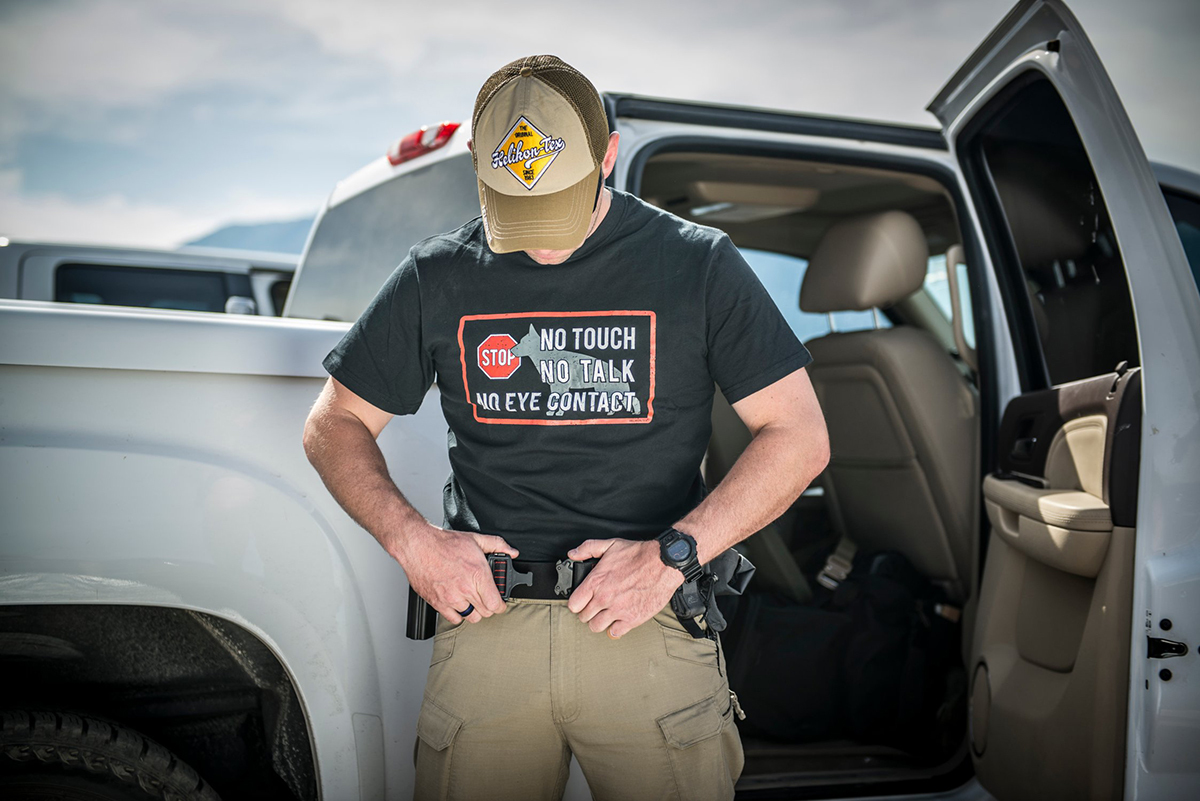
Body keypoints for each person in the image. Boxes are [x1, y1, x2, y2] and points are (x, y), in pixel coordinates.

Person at [302, 54, 829, 801]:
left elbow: (798, 436)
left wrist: (672, 556)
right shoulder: (439, 273)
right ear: (478, 168)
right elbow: (334, 423)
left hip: (646, 626)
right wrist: (413, 541)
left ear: (607, 155)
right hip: (486, 632)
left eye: (562, 205)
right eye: (521, 215)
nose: (544, 243)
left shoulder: (696, 265)